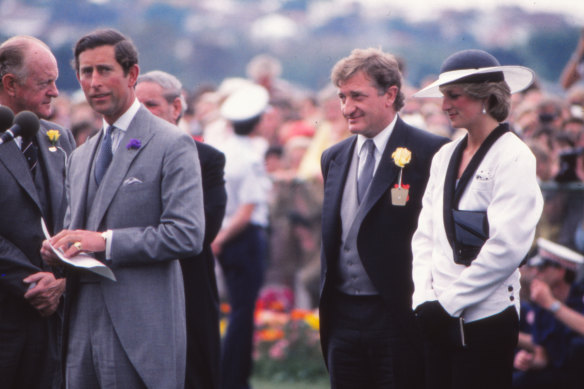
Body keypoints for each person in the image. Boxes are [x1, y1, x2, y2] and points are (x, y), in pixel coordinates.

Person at [40, 28, 204, 389]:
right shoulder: (82, 154)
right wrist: (61, 250)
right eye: (86, 72)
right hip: (81, 329)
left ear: (132, 75)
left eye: (104, 70)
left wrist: (105, 241)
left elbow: (186, 234)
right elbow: (81, 235)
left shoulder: (172, 144)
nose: (94, 82)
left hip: (141, 331)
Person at [411, 49, 544, 389]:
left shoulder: (514, 156)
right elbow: (426, 233)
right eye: (444, 96)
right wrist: (424, 299)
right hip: (437, 313)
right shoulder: (445, 154)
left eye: (453, 96)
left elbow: (507, 247)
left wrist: (451, 303)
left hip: (487, 314)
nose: (444, 106)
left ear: (485, 96)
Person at [319, 47, 448, 389]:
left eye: (357, 96)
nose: (347, 108)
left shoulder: (431, 152)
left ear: (390, 94)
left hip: (399, 315)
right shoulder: (333, 157)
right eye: (342, 97)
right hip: (343, 318)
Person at [136, 69, 226, 389]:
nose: (143, 114)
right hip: (135, 284)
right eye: (137, 106)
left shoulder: (207, 159)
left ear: (177, 108)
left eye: (152, 104)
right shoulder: (119, 158)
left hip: (188, 282)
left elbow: (202, 230)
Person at [0, 35, 76, 389]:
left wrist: (62, 282)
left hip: (55, 318)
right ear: (10, 84)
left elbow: (79, 217)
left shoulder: (58, 138)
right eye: (45, 82)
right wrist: (30, 282)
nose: (56, 92)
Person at [211, 84, 271, 389]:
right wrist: (222, 238)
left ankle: (231, 376)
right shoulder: (248, 156)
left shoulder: (225, 149)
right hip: (243, 237)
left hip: (228, 237)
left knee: (238, 310)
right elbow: (247, 210)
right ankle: (233, 378)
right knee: (243, 312)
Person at [513, 238, 584, 389]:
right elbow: (542, 355)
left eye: (542, 267)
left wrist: (552, 304)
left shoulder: (579, 296)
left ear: (560, 271)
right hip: (558, 376)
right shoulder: (542, 303)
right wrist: (529, 361)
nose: (536, 272)